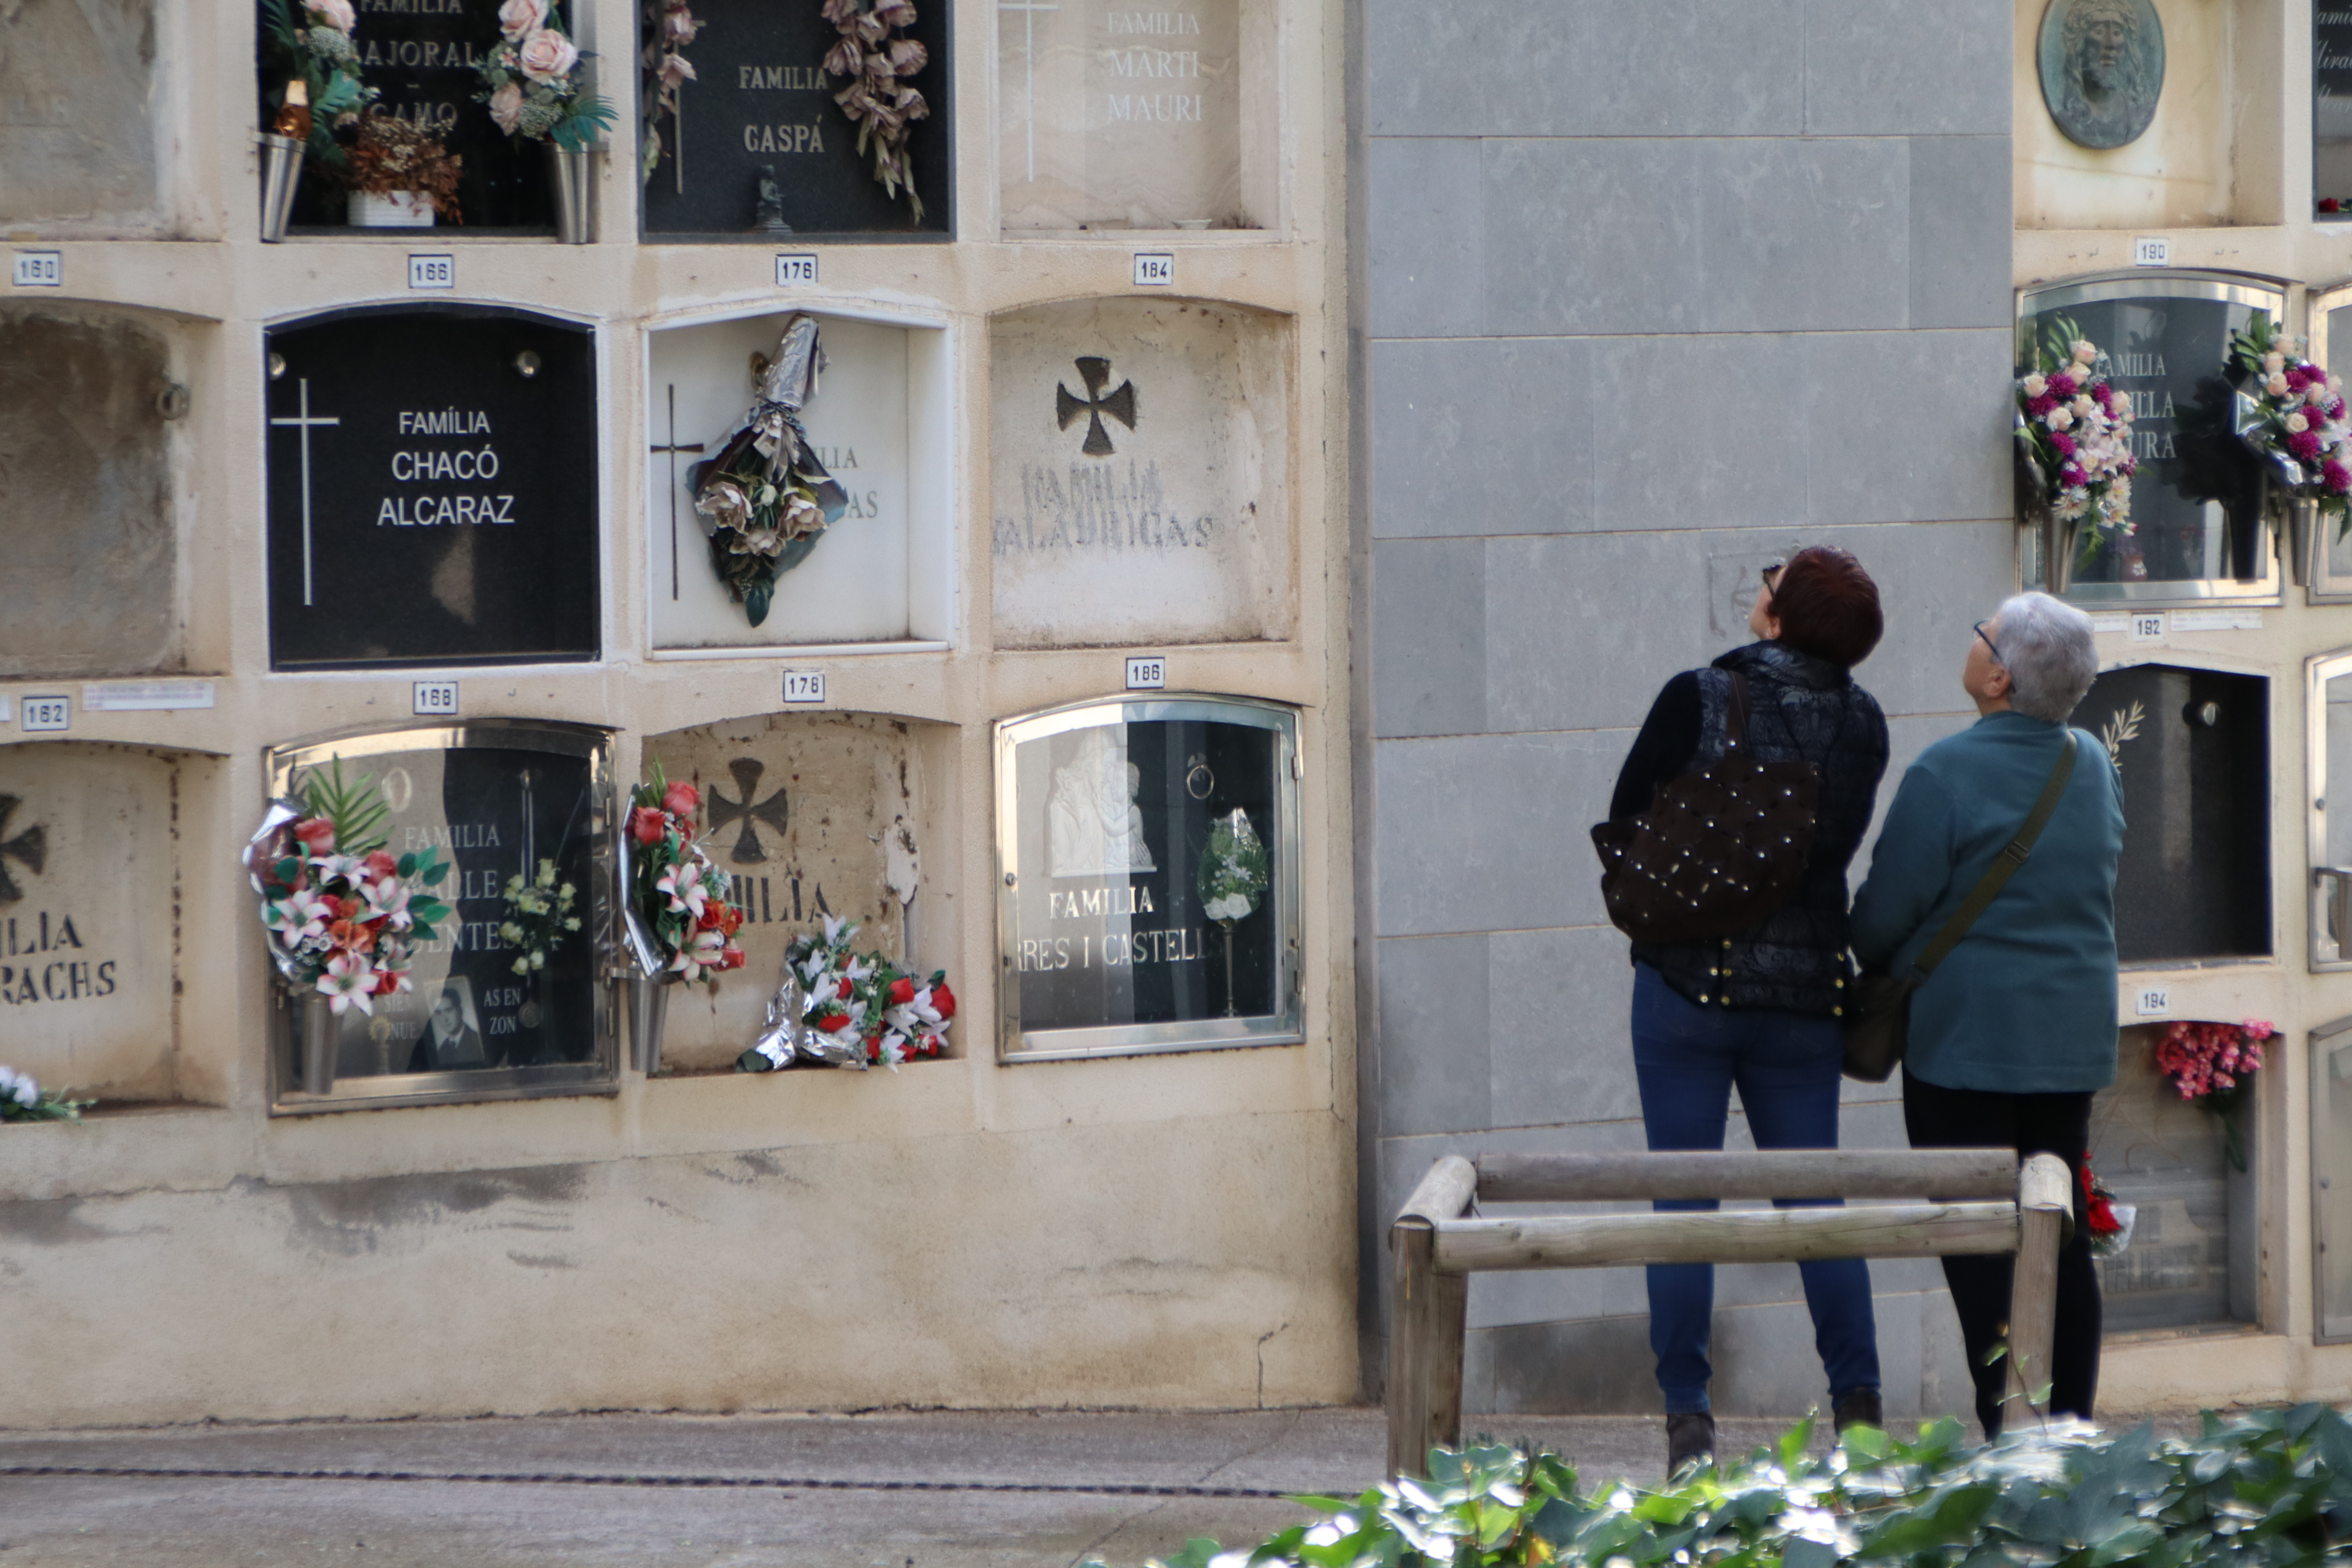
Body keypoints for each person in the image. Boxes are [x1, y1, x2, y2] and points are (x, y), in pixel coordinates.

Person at [1607, 546, 1890, 1475]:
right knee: (1816, 1205)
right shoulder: (1864, 721)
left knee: (1682, 1202)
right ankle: (1858, 1412)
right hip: (1804, 996)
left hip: (1687, 982)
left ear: (1775, 616)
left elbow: (1626, 812)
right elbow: (1833, 846)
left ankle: (1688, 1423)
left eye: (1769, 587)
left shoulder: (1698, 693)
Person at [1850, 592, 2123, 1439]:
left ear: (1998, 676)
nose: (1971, 639)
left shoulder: (1945, 771)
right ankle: (2069, 1429)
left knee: (1981, 1255)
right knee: (2061, 1236)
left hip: (1965, 1049)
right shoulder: (2092, 763)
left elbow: (1880, 922)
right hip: (2071, 1042)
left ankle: (2012, 1437)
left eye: (1982, 634)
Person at [409, 983, 488, 1072]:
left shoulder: (477, 1042)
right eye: (439, 1013)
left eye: (449, 1010)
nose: (445, 1019)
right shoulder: (442, 1050)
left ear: (460, 1011)